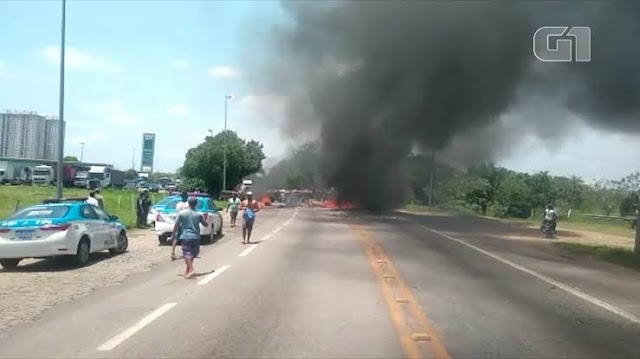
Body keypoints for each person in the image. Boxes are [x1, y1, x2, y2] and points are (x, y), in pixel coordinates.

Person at [171, 197, 208, 278]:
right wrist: (205, 219)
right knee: (192, 254)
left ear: (188, 203)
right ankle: (188, 271)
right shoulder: (199, 214)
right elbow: (205, 224)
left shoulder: (182, 213)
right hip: (196, 236)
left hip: (186, 236)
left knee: (187, 253)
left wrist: (173, 234)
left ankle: (191, 270)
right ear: (196, 204)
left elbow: (176, 225)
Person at [171, 192, 191, 256]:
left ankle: (173, 251)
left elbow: (177, 213)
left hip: (178, 222)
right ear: (187, 197)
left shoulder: (178, 204)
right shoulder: (188, 204)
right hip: (186, 222)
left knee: (176, 238)